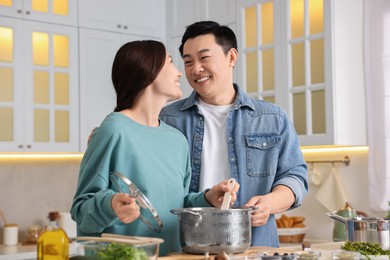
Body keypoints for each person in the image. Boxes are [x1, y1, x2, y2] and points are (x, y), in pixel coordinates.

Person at [70, 40, 239, 256]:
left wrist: (207, 198)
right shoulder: (113, 130)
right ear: (148, 70)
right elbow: (81, 209)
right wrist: (110, 205)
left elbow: (178, 203)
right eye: (170, 62)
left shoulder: (176, 140)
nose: (179, 73)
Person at [159, 21, 308, 247]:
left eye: (204, 58)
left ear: (231, 57)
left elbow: (295, 177)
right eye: (188, 62)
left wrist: (269, 203)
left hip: (256, 247)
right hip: (187, 247)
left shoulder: (271, 118)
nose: (195, 69)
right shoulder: (168, 119)